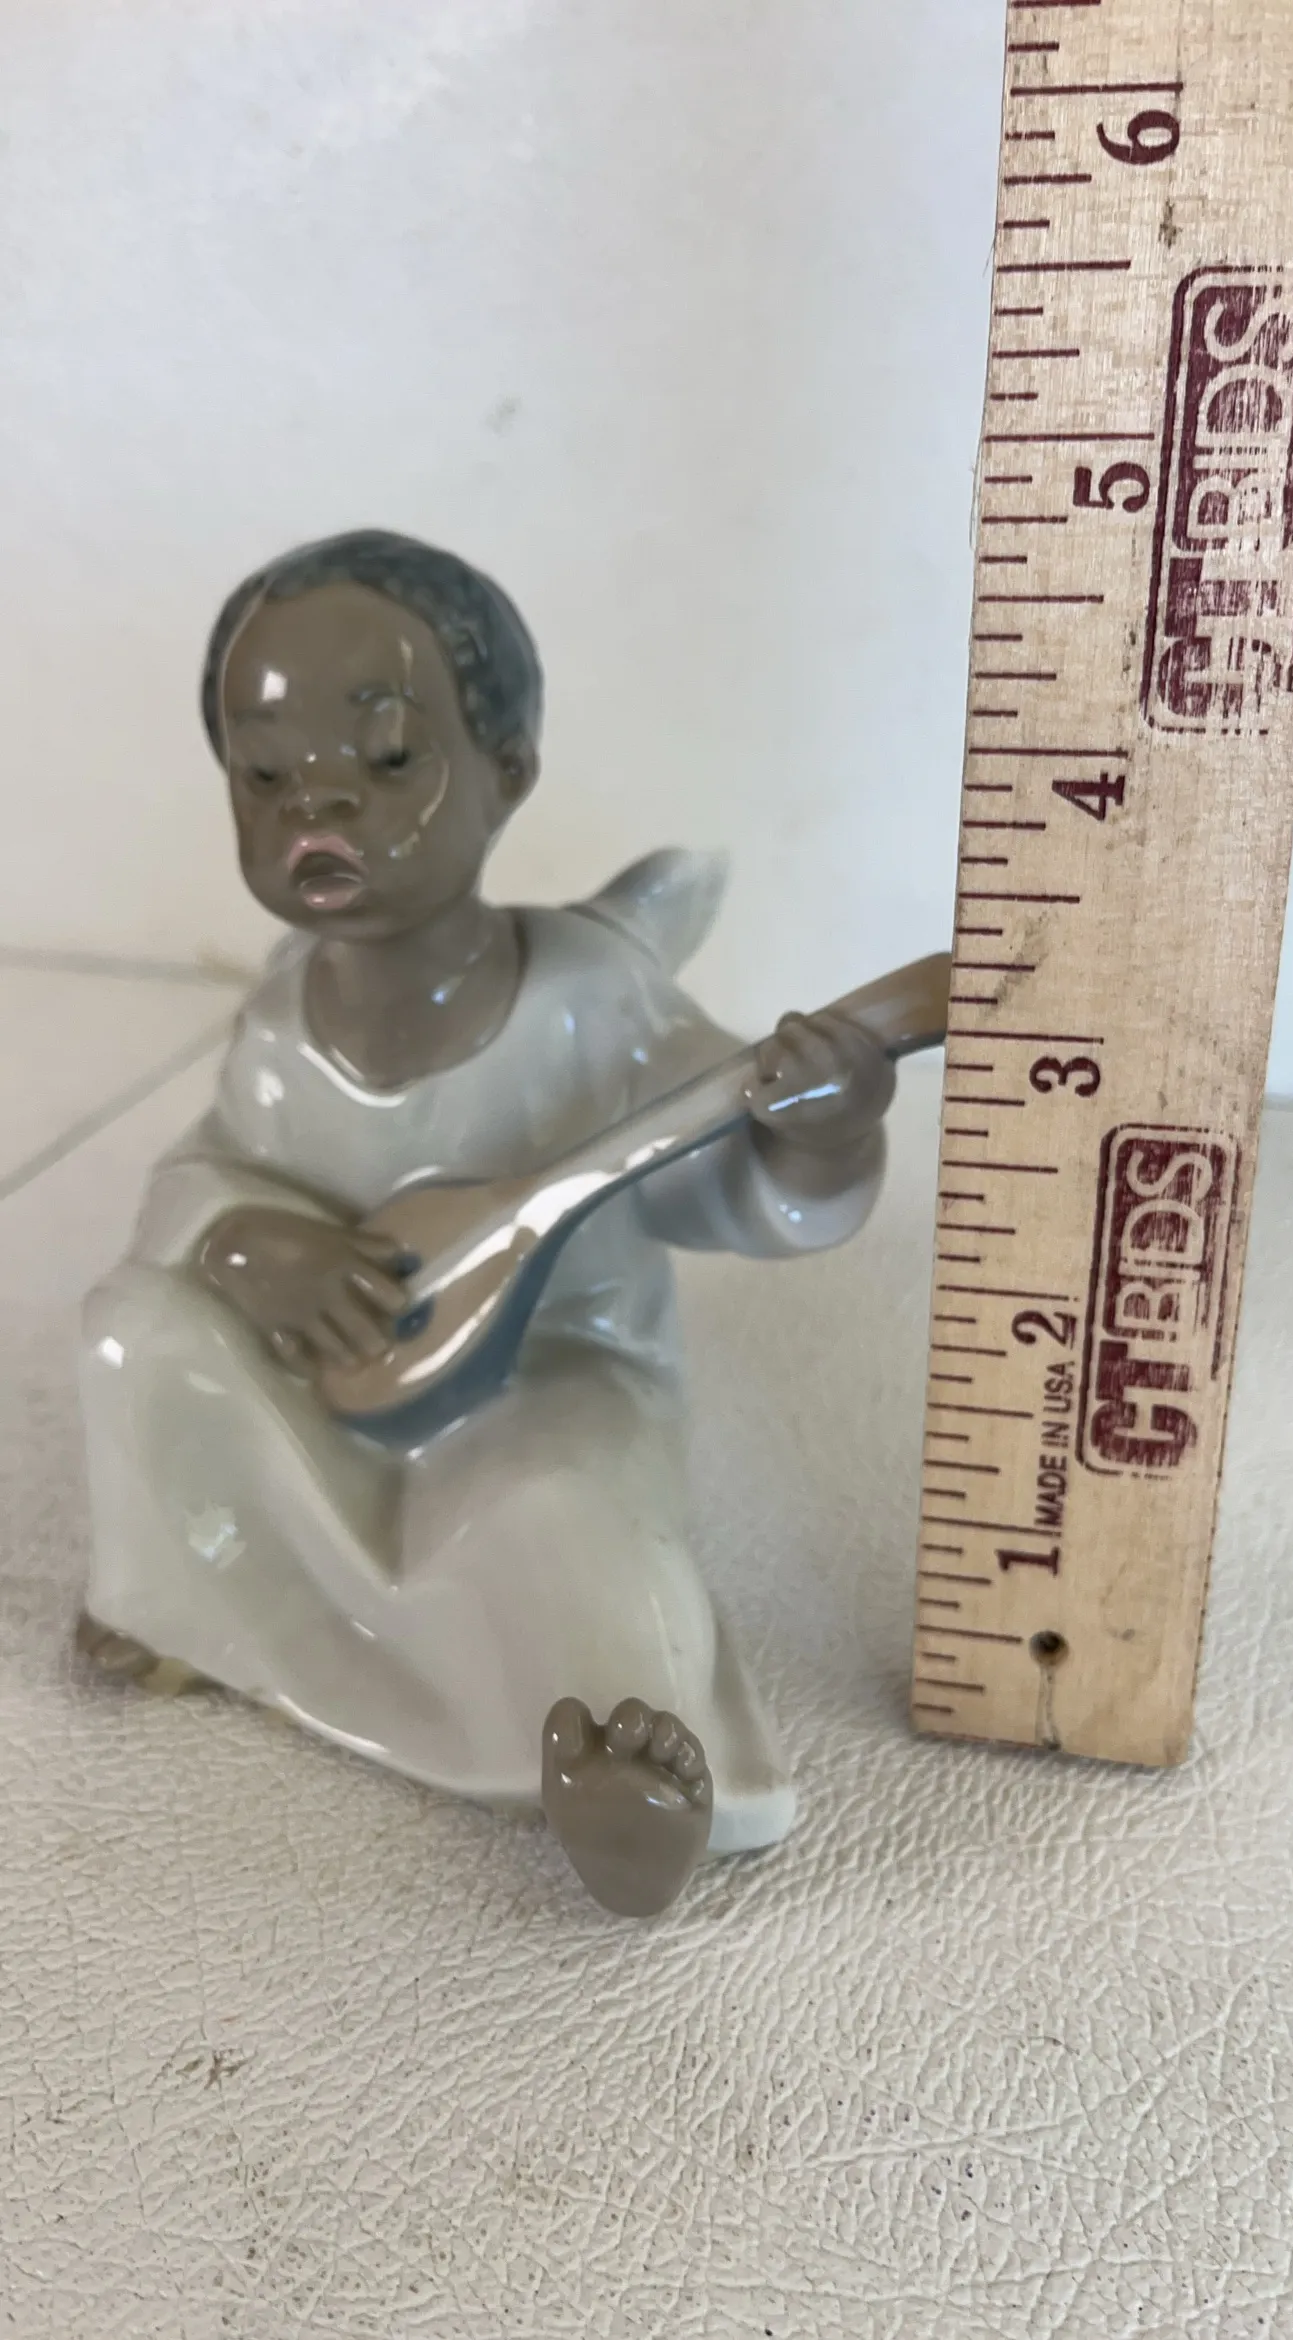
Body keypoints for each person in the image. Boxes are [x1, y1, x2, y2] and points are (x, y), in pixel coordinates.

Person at [79, 529, 895, 1917]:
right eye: (264, 777)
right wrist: (241, 1241)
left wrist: (815, 1136)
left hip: (550, 1381)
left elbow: (716, 1172)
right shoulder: (281, 1014)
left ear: (507, 770)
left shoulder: (591, 998)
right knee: (131, 1334)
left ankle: (626, 1763)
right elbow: (202, 1171)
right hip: (339, 1376)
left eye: (389, 758)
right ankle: (190, 1603)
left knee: (556, 1515)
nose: (317, 803)